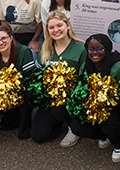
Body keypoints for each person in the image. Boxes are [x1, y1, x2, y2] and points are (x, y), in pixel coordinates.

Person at [74, 34, 120, 161]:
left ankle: (118, 143)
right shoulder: (85, 66)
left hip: (119, 106)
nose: (95, 53)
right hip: (95, 106)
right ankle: (105, 136)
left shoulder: (118, 67)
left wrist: (107, 102)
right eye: (91, 49)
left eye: (100, 49)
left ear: (107, 49)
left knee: (107, 119)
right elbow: (80, 87)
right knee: (77, 126)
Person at [34, 11, 87, 146]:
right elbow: (39, 74)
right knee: (38, 136)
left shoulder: (81, 48)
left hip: (71, 98)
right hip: (51, 98)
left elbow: (84, 80)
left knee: (59, 110)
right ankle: (58, 121)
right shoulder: (45, 49)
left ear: (68, 25)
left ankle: (73, 127)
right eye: (51, 28)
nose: (56, 30)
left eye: (59, 26)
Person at [0, 25, 39, 139]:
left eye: (4, 38)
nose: (0, 42)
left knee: (26, 93)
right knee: (4, 122)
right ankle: (12, 116)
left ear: (11, 38)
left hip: (23, 89)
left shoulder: (23, 51)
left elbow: (29, 79)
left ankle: (25, 124)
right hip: (6, 94)